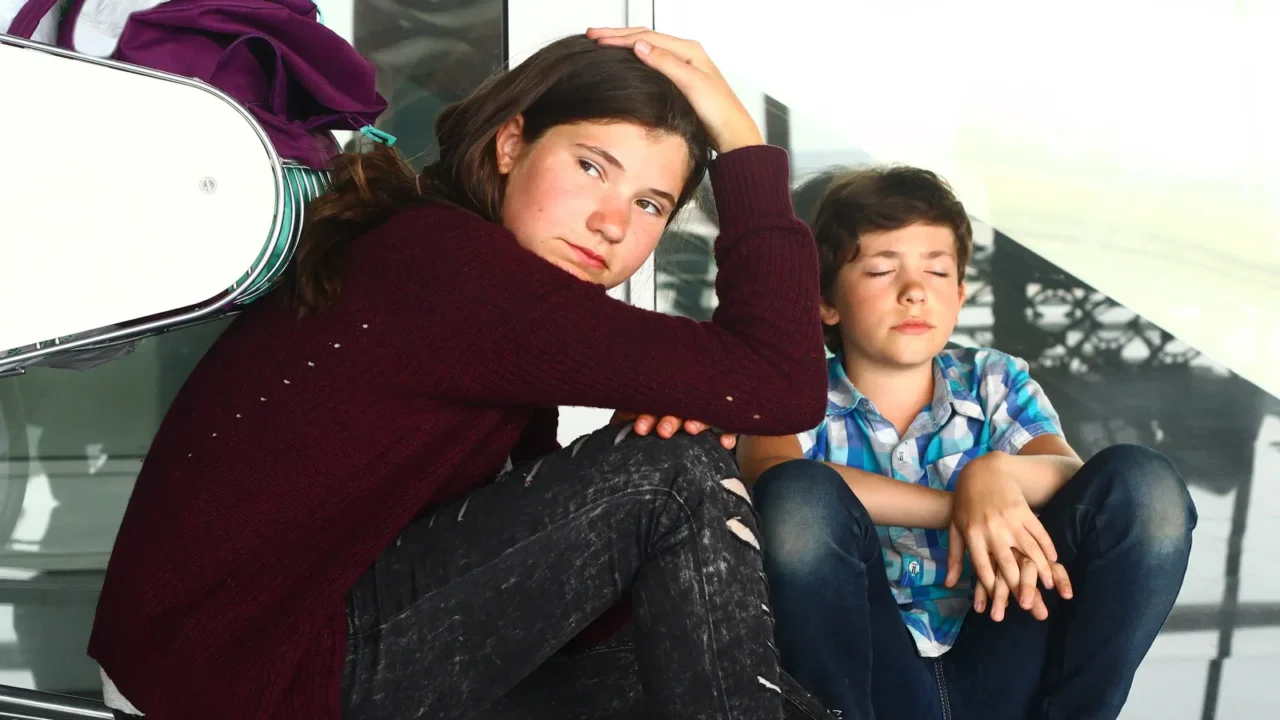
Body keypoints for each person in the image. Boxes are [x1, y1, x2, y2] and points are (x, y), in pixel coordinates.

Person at [88, 29, 838, 720]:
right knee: (678, 474)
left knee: (763, 690)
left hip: (283, 645)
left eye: (648, 203)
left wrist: (630, 443)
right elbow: (781, 383)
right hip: (244, 673)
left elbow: (555, 607)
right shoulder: (455, 272)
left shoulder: (469, 273)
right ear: (511, 144)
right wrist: (742, 141)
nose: (612, 222)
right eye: (590, 166)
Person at [737, 166, 1198, 720]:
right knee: (800, 499)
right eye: (882, 270)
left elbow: (1074, 479)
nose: (913, 292)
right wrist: (962, 509)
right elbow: (772, 475)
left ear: (959, 296)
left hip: (1008, 647)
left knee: (1142, 488)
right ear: (824, 302)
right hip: (869, 675)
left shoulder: (995, 379)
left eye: (936, 272)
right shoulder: (789, 389)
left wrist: (994, 475)